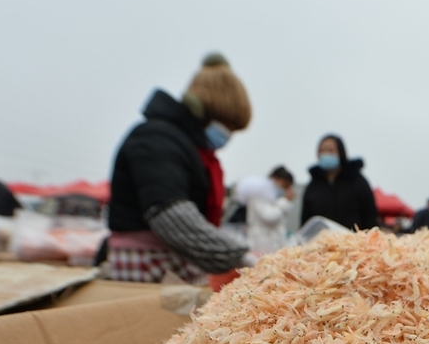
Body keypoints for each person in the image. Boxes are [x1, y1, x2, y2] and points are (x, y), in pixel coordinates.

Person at [106, 53, 254, 284]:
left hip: (178, 264)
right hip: (148, 264)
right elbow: (171, 214)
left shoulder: (192, 149)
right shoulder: (156, 138)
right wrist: (240, 257)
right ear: (208, 111)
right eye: (228, 125)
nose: (228, 136)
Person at [301, 134, 378, 231]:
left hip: (355, 241)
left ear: (341, 152)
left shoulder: (357, 180)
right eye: (322, 151)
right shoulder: (312, 186)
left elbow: (370, 215)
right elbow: (305, 222)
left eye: (330, 150)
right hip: (320, 243)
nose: (326, 154)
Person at [237, 171, 294, 255]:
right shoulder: (258, 195)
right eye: (284, 185)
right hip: (262, 243)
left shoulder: (270, 197)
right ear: (274, 179)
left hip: (269, 243)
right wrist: (285, 201)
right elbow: (270, 217)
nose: (284, 189)